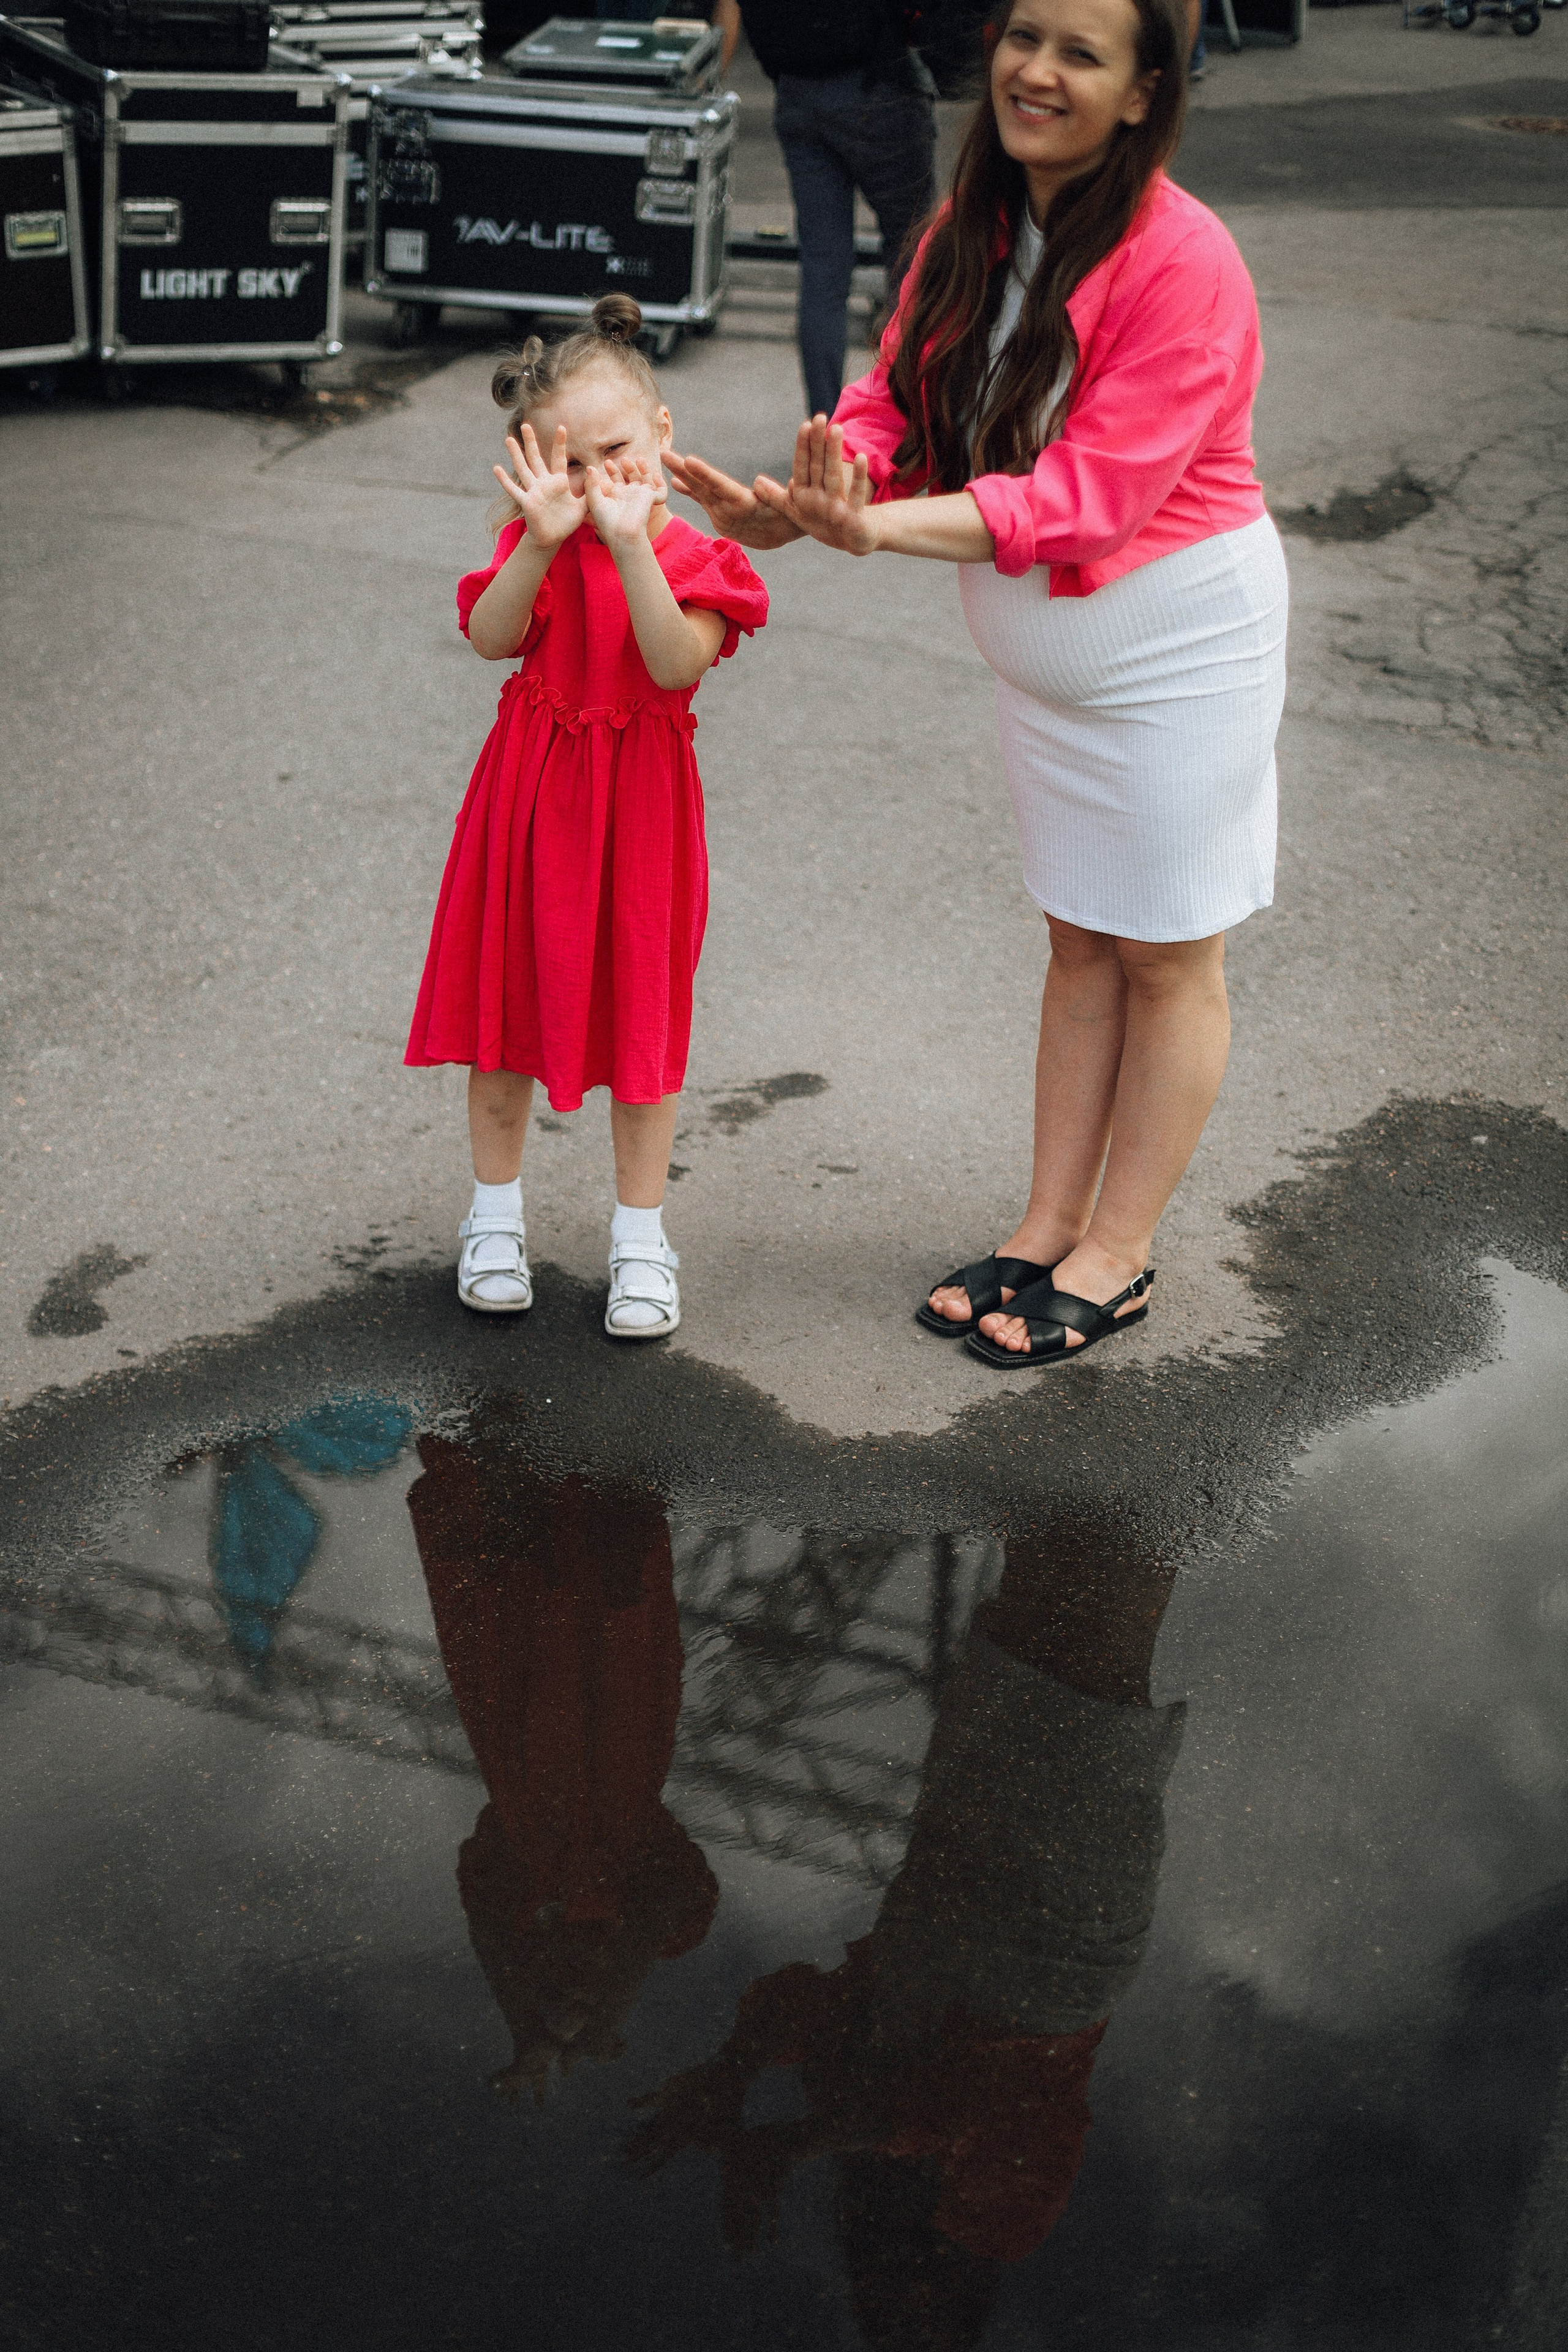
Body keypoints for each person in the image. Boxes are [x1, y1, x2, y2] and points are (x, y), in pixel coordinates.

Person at [668, 0, 1285, 1371]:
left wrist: (879, 528)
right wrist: (818, 490)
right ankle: (1045, 1222)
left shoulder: (1186, 260)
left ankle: (1115, 1254)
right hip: (1053, 678)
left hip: (1179, 656)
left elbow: (1085, 497)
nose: (1034, 70)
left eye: (1079, 51)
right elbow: (901, 400)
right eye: (1023, 37)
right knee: (1077, 944)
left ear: (1141, 93)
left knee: (1168, 958)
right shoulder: (973, 225)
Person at [404, 294, 769, 1340]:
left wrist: (630, 546)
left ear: (661, 435)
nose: (592, 477)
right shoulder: (545, 544)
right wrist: (539, 539)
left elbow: (672, 663)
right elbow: (488, 635)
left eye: (613, 449)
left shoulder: (700, 563)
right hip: (528, 805)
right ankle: (493, 1219)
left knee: (640, 1022)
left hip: (640, 821)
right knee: (504, 1018)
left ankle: (642, 1239)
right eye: (564, 461)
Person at [727, 0, 940, 419]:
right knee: (912, 253)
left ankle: (824, 428)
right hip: (878, 86)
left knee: (824, 271)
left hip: (797, 92)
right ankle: (897, 420)